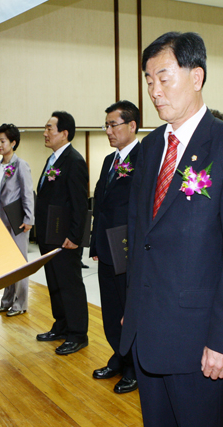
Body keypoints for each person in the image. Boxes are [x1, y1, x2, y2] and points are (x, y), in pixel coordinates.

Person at [120, 32, 223, 427]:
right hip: (148, 336)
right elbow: (141, 235)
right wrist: (132, 314)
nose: (154, 90)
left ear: (196, 77)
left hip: (200, 345)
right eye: (148, 80)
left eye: (164, 78)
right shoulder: (148, 150)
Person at [89, 100, 139, 394]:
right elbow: (101, 206)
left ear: (132, 126)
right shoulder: (110, 160)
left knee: (127, 309)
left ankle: (134, 366)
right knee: (110, 309)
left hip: (127, 248)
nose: (108, 131)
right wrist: (94, 242)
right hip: (107, 247)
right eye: (105, 125)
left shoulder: (144, 157)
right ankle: (119, 356)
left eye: (113, 125)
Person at [35, 111, 89, 355]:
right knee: (55, 284)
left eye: (49, 128)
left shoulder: (74, 161)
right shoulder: (52, 160)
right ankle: (61, 325)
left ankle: (77, 334)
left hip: (65, 238)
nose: (45, 133)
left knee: (70, 286)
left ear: (64, 133)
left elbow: (80, 203)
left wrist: (75, 237)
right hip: (49, 236)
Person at [0, 123, 34, 317]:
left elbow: (27, 194)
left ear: (13, 142)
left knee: (19, 263)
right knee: (6, 263)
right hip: (1, 221)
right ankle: (6, 301)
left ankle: (20, 304)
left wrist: (29, 219)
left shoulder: (21, 165)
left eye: (3, 141)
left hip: (18, 221)